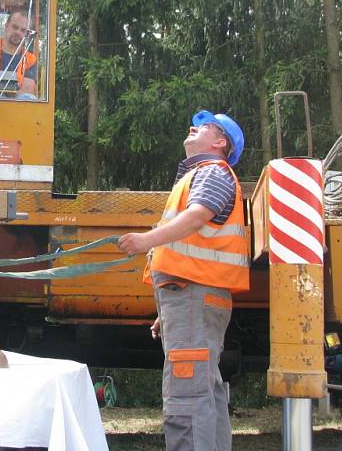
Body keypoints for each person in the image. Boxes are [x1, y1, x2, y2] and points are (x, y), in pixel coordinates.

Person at [118, 111, 248, 451]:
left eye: (203, 127)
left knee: (188, 390)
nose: (191, 127)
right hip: (192, 295)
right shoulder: (201, 176)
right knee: (204, 387)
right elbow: (191, 246)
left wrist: (147, 240)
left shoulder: (212, 173)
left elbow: (197, 217)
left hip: (193, 294)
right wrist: (168, 309)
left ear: (220, 142)